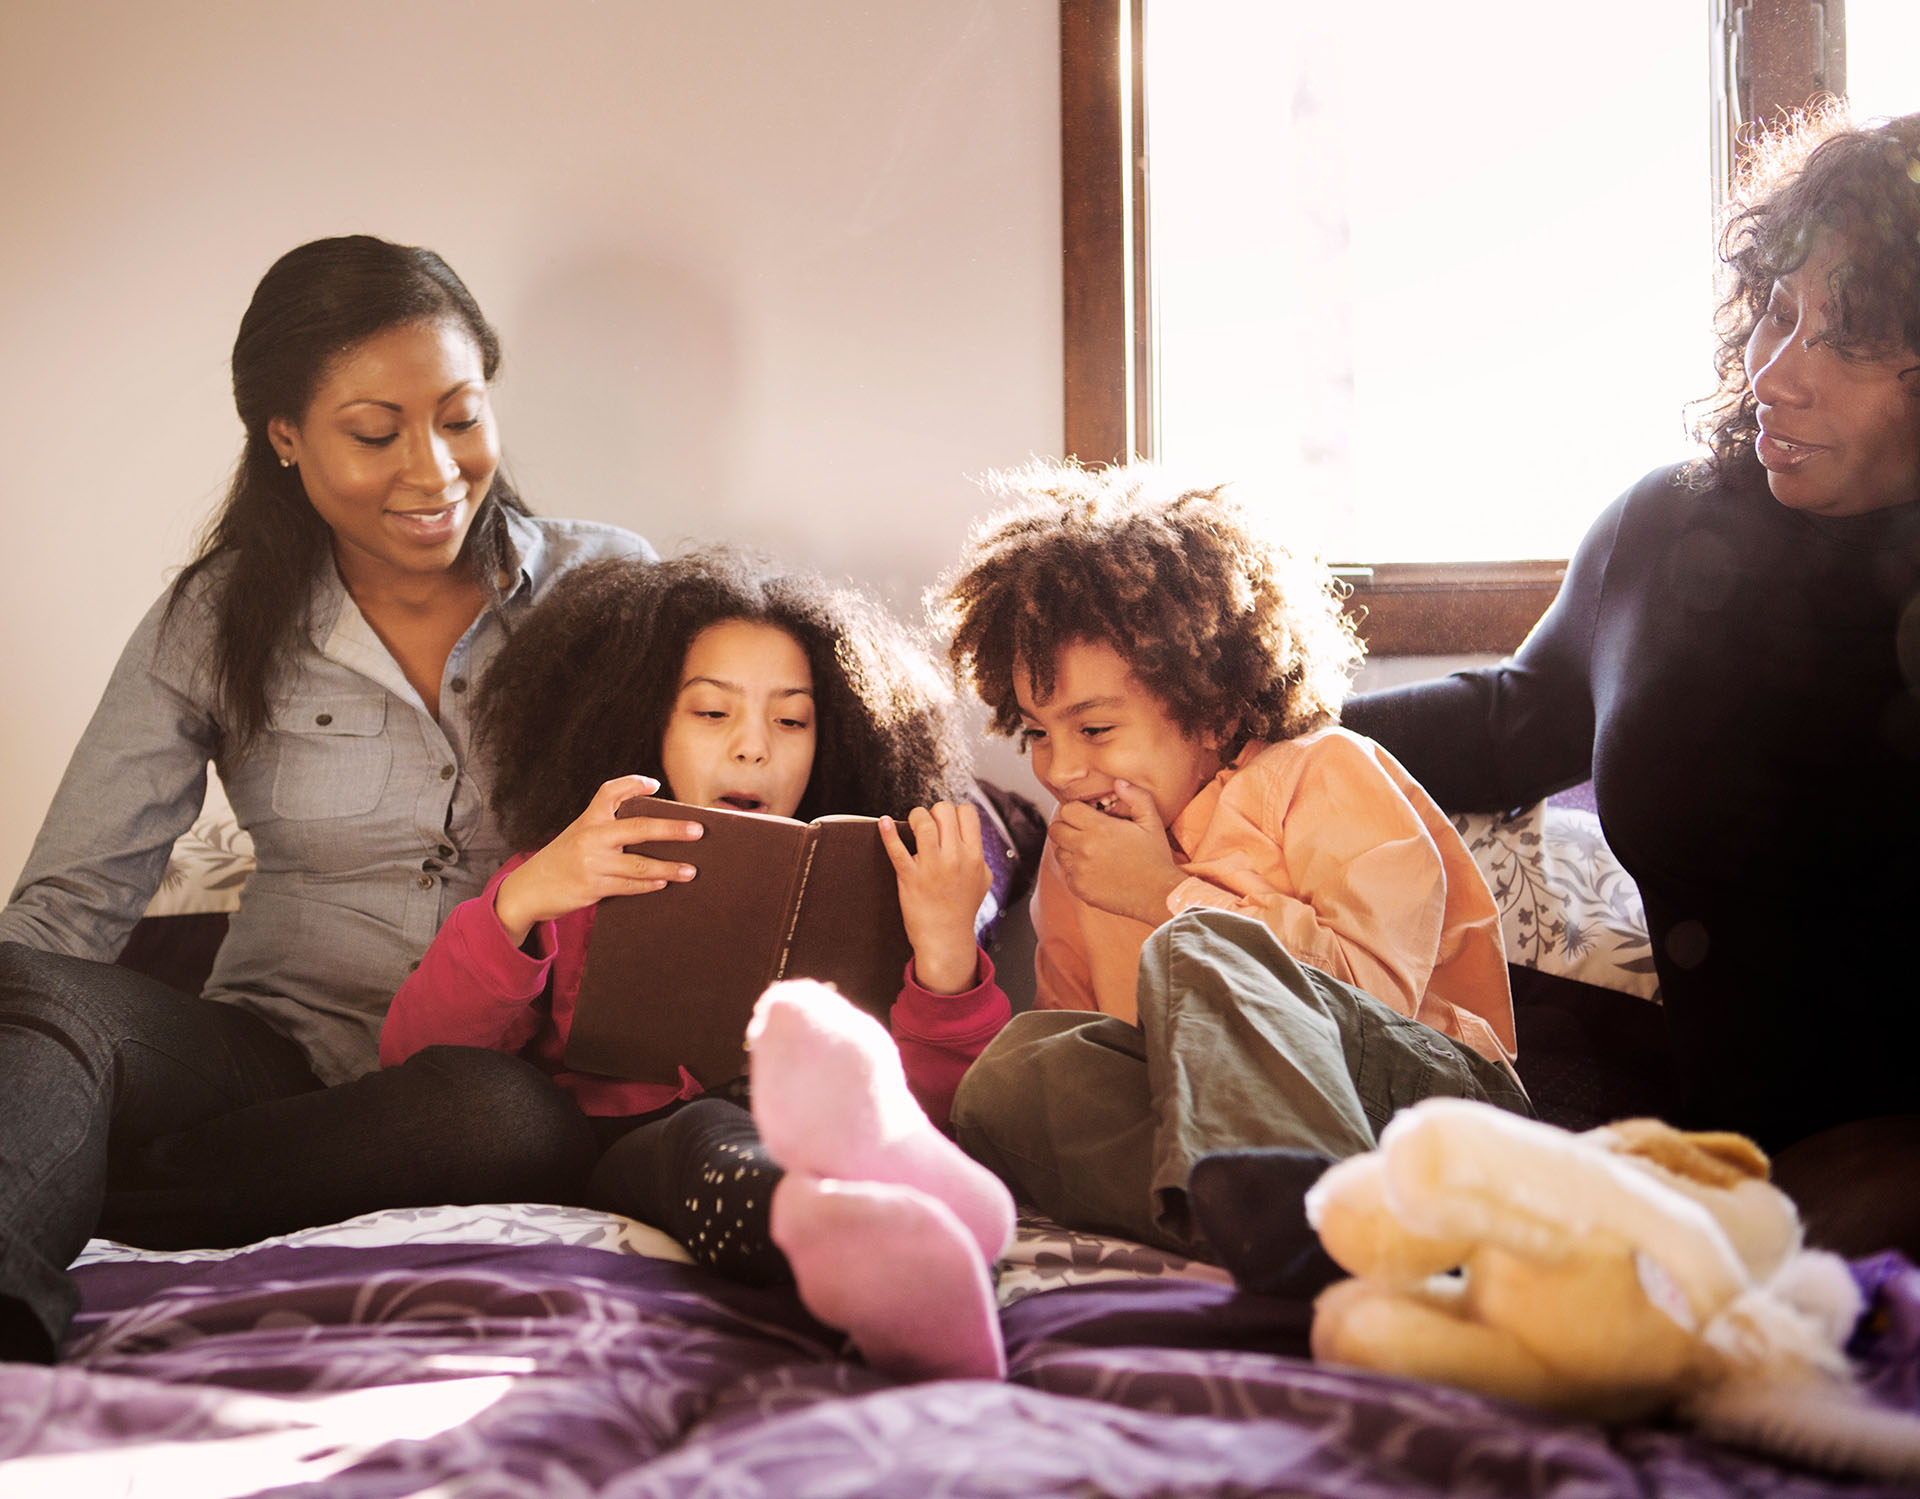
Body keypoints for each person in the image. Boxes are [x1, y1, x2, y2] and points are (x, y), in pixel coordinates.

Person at [0, 235, 686, 1364]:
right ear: (283, 438)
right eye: (375, 433)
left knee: (496, 1114)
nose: (433, 469)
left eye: (461, 416)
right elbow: (72, 904)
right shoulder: (211, 619)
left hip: (488, 1079)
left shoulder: (607, 585)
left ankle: (111, 1189)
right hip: (262, 1059)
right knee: (31, 987)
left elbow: (716, 813)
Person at [1339, 106, 1920, 1257]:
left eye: (1845, 342)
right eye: (1775, 311)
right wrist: (1236, 722)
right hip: (1714, 1147)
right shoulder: (1670, 525)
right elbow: (1515, 719)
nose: (1775, 374)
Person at [379, 550, 1019, 1380]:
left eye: (792, 720)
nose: (754, 748)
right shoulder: (570, 865)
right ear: (648, 724)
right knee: (705, 1138)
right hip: (630, 1150)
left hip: (794, 1125)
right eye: (712, 713)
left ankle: (903, 1215)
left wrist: (943, 952)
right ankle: (841, 1230)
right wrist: (524, 900)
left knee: (785, 1113)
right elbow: (412, 1059)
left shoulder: (879, 886)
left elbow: (955, 1099)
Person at [918, 461, 1530, 1291]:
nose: (1058, 768)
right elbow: (1088, 1046)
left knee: (1201, 946)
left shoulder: (1323, 773)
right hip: (1224, 1143)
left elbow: (1373, 996)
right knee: (1013, 1072)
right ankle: (1262, 1231)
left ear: (1214, 709)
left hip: (1432, 1114)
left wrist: (1163, 891)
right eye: (1036, 733)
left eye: (1094, 728)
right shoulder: (1078, 857)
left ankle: (1321, 1228)